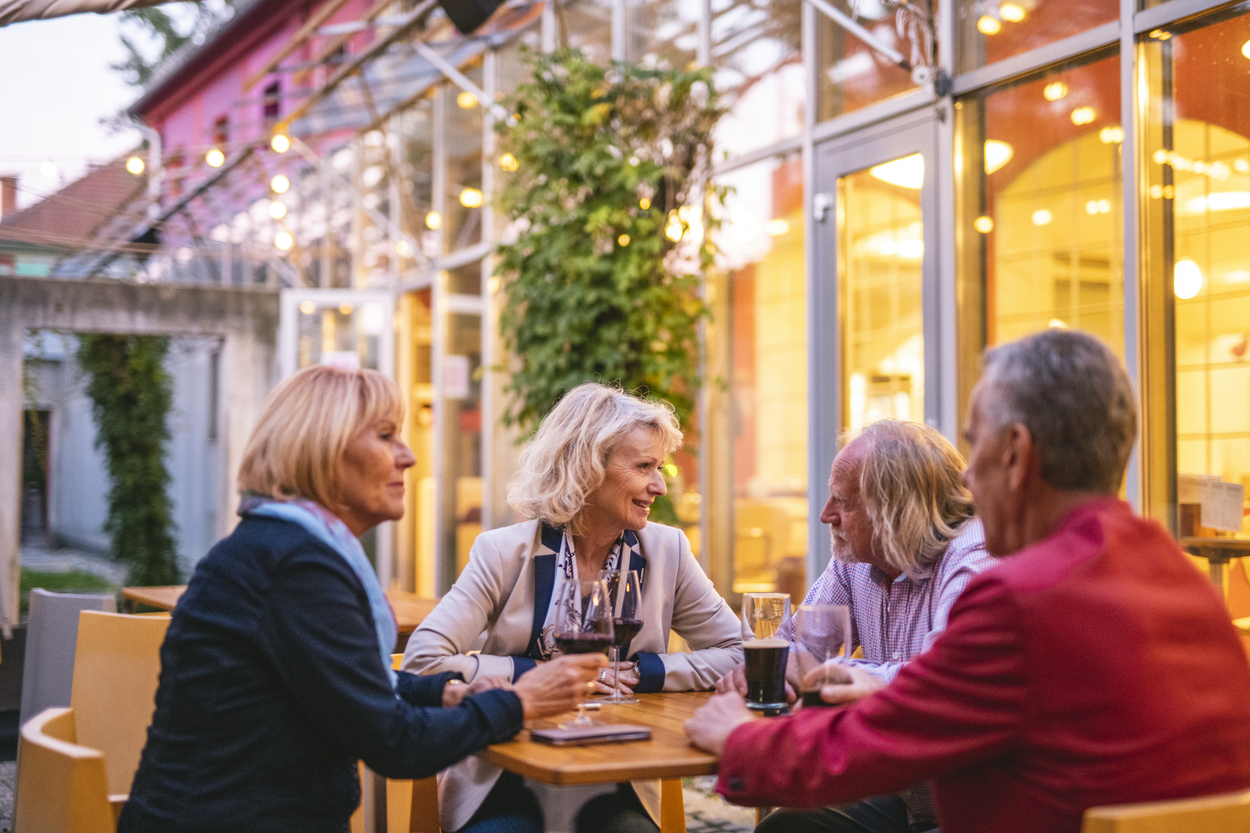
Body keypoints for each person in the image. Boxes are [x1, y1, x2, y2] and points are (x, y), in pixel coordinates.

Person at [686, 329, 1250, 833]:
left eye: (973, 442)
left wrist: (737, 737)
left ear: (1015, 455)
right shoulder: (1183, 578)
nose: (963, 474)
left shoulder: (1022, 599)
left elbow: (866, 748)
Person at [119, 366, 604, 833]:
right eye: (386, 435)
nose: (408, 456)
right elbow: (396, 744)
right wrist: (520, 701)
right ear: (323, 451)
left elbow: (342, 678)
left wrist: (442, 691)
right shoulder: (297, 565)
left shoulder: (278, 547)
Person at [404, 382, 742, 833]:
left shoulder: (668, 550)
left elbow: (742, 653)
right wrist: (533, 678)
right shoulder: (503, 553)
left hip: (618, 775)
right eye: (644, 466)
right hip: (505, 777)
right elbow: (422, 662)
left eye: (659, 467)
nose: (659, 485)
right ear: (587, 468)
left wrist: (649, 672)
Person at [715, 419, 994, 833]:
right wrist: (780, 670)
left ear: (894, 510)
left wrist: (825, 674)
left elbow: (938, 684)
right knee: (784, 828)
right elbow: (791, 647)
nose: (826, 514)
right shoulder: (857, 559)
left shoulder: (973, 560)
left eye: (842, 501)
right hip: (900, 788)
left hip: (972, 806)